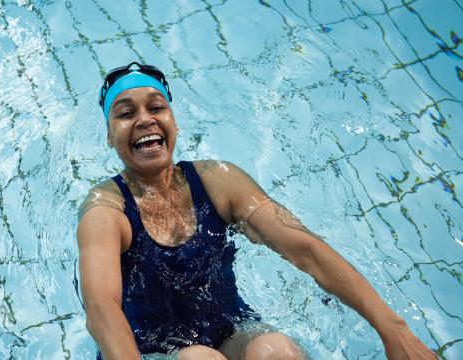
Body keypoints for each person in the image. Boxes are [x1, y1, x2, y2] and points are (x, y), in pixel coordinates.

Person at [76, 62, 435, 360]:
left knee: (276, 351)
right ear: (110, 135)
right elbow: (102, 310)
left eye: (156, 108)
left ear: (174, 121)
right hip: (146, 352)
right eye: (126, 113)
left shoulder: (218, 182)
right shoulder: (106, 210)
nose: (145, 120)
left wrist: (392, 329)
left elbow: (304, 249)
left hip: (229, 335)